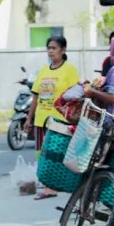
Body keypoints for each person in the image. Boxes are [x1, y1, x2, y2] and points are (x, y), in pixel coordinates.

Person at [23, 36, 80, 200]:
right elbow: (35, 97)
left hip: (59, 121)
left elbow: (75, 94)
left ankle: (56, 185)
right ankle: (48, 186)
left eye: (54, 48)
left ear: (63, 50)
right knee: (41, 154)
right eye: (49, 48)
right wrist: (29, 119)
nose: (50, 51)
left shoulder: (69, 70)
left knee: (57, 154)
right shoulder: (43, 70)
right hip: (41, 119)